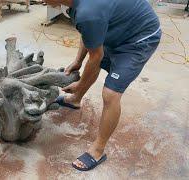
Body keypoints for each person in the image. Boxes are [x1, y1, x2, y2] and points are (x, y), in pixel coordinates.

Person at [45, 0, 161, 171]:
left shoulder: (88, 12)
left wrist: (80, 83)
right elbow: (89, 34)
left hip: (140, 38)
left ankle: (98, 150)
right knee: (95, 58)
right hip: (119, 27)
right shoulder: (77, 8)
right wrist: (78, 61)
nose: (41, 1)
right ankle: (75, 100)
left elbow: (95, 56)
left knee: (111, 93)